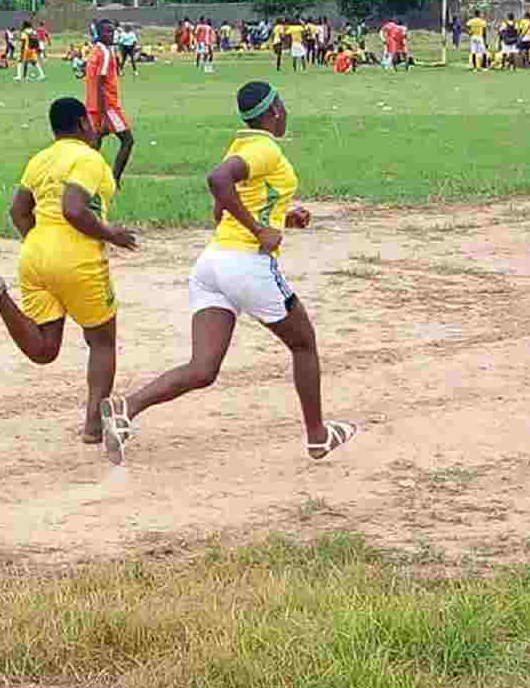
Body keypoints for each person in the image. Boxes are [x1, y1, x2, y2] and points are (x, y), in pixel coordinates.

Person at [97, 81, 356, 467]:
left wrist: (281, 218)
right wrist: (260, 230)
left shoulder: (241, 146)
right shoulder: (265, 147)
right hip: (246, 264)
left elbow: (221, 209)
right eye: (282, 105)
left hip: (213, 264)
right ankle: (317, 436)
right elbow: (217, 181)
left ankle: (125, 408)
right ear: (274, 112)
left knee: (203, 368)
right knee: (304, 344)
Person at [0, 96, 137, 446]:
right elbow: (74, 208)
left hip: (34, 254)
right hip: (77, 258)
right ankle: (92, 426)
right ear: (82, 125)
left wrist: (39, 242)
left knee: (45, 349)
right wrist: (111, 234)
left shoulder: (39, 160)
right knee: (101, 341)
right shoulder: (88, 158)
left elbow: (18, 210)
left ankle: (1, 299)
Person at [84, 19, 135, 188]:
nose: (111, 35)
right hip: (107, 106)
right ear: (99, 34)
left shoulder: (96, 50)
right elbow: (99, 81)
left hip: (94, 104)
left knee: (96, 141)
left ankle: (84, 179)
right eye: (107, 32)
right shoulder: (105, 53)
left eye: (112, 32)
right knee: (127, 140)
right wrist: (104, 112)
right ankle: (114, 181)